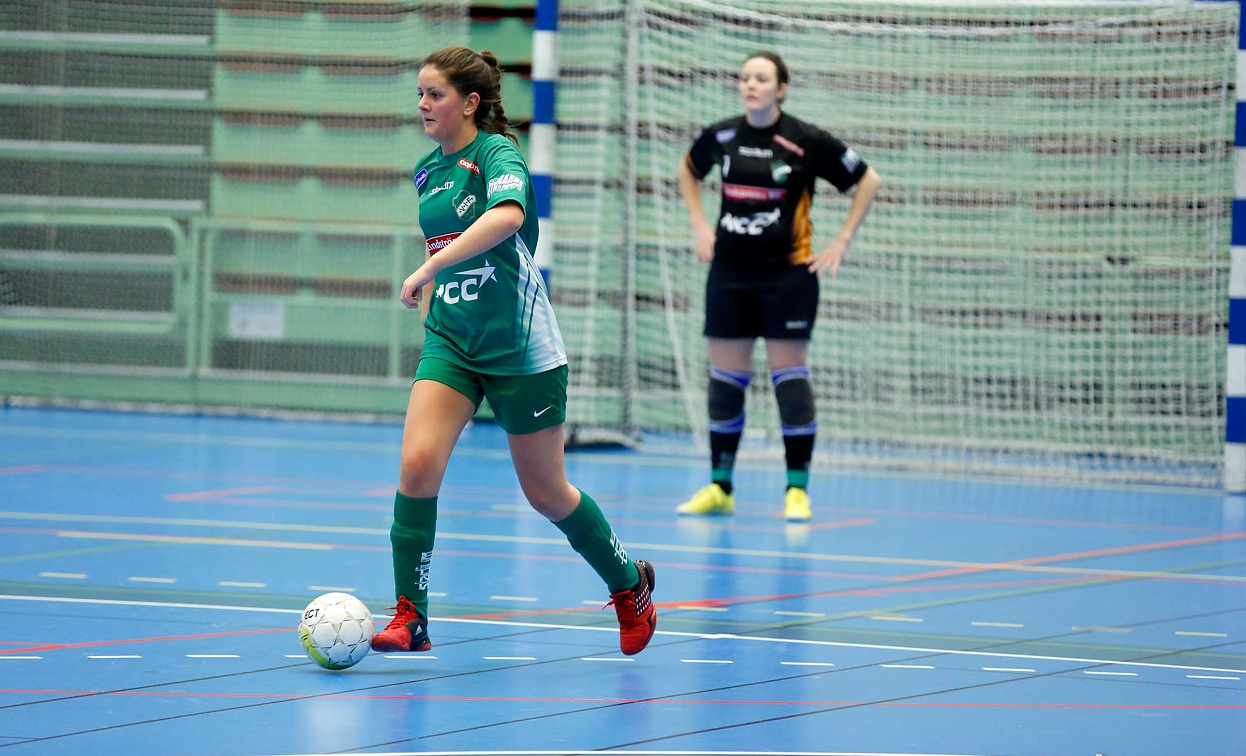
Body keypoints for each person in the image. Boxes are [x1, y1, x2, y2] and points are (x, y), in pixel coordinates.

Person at [372, 46, 656, 656]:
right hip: (452, 340)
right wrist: (434, 289)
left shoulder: (498, 155)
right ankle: (411, 616)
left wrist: (430, 266)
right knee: (418, 466)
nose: (422, 104)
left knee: (546, 491)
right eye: (419, 94)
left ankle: (629, 585)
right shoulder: (427, 171)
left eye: (435, 94)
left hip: (521, 348)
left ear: (469, 103)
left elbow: (504, 218)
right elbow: (446, 241)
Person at [675, 50, 880, 522]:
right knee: (726, 382)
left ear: (780, 89)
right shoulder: (722, 135)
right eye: (745, 77)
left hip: (787, 277)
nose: (751, 84)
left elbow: (868, 180)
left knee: (789, 379)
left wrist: (840, 242)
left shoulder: (804, 139)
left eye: (761, 78)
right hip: (728, 274)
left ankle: (797, 489)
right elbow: (688, 170)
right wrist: (700, 226)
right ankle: (720, 486)